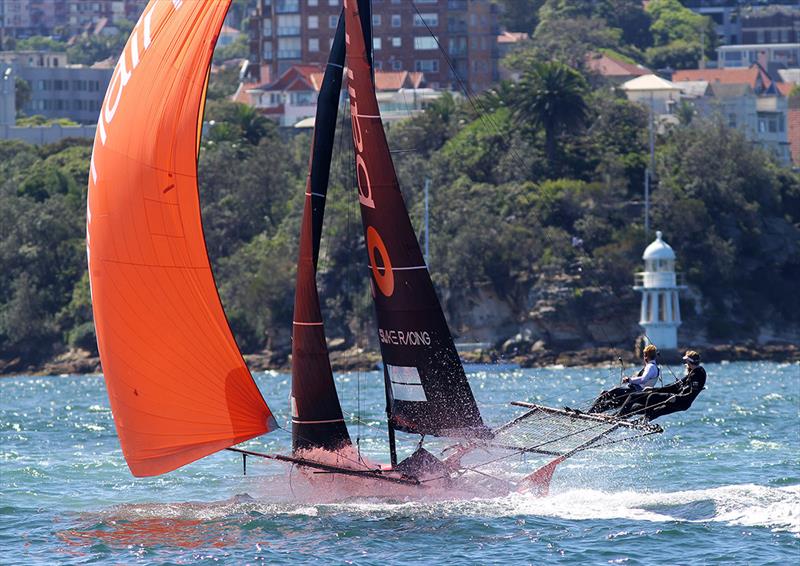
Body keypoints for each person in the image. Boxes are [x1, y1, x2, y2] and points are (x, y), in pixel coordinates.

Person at [616, 350, 706, 421]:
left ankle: (642, 420)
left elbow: (691, 394)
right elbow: (674, 386)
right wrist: (653, 389)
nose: (685, 363)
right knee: (636, 401)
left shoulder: (698, 374)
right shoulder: (693, 373)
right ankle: (620, 418)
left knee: (652, 397)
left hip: (680, 401)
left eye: (686, 361)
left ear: (689, 361)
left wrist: (676, 398)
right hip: (677, 399)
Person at [587, 344, 660, 413]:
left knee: (605, 394)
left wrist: (629, 379)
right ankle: (593, 414)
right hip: (636, 393)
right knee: (609, 404)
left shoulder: (650, 367)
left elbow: (643, 379)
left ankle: (589, 413)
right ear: (655, 356)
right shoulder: (654, 367)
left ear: (645, 356)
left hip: (634, 392)